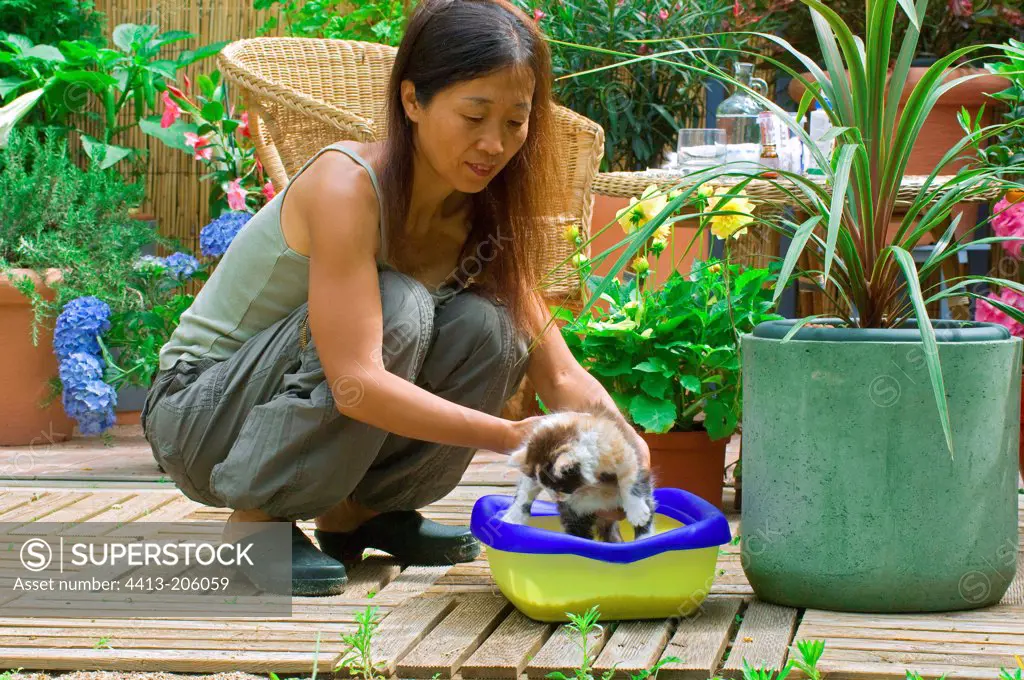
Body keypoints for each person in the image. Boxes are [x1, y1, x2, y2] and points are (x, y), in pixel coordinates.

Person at [140, 0, 651, 597]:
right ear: (413, 101)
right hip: (199, 413)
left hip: (272, 402)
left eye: (515, 122)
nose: (494, 143)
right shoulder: (345, 186)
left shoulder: (480, 213)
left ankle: (361, 513)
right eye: (474, 115)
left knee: (492, 326)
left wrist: (626, 444)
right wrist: (514, 437)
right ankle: (255, 527)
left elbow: (560, 373)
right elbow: (355, 382)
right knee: (402, 304)